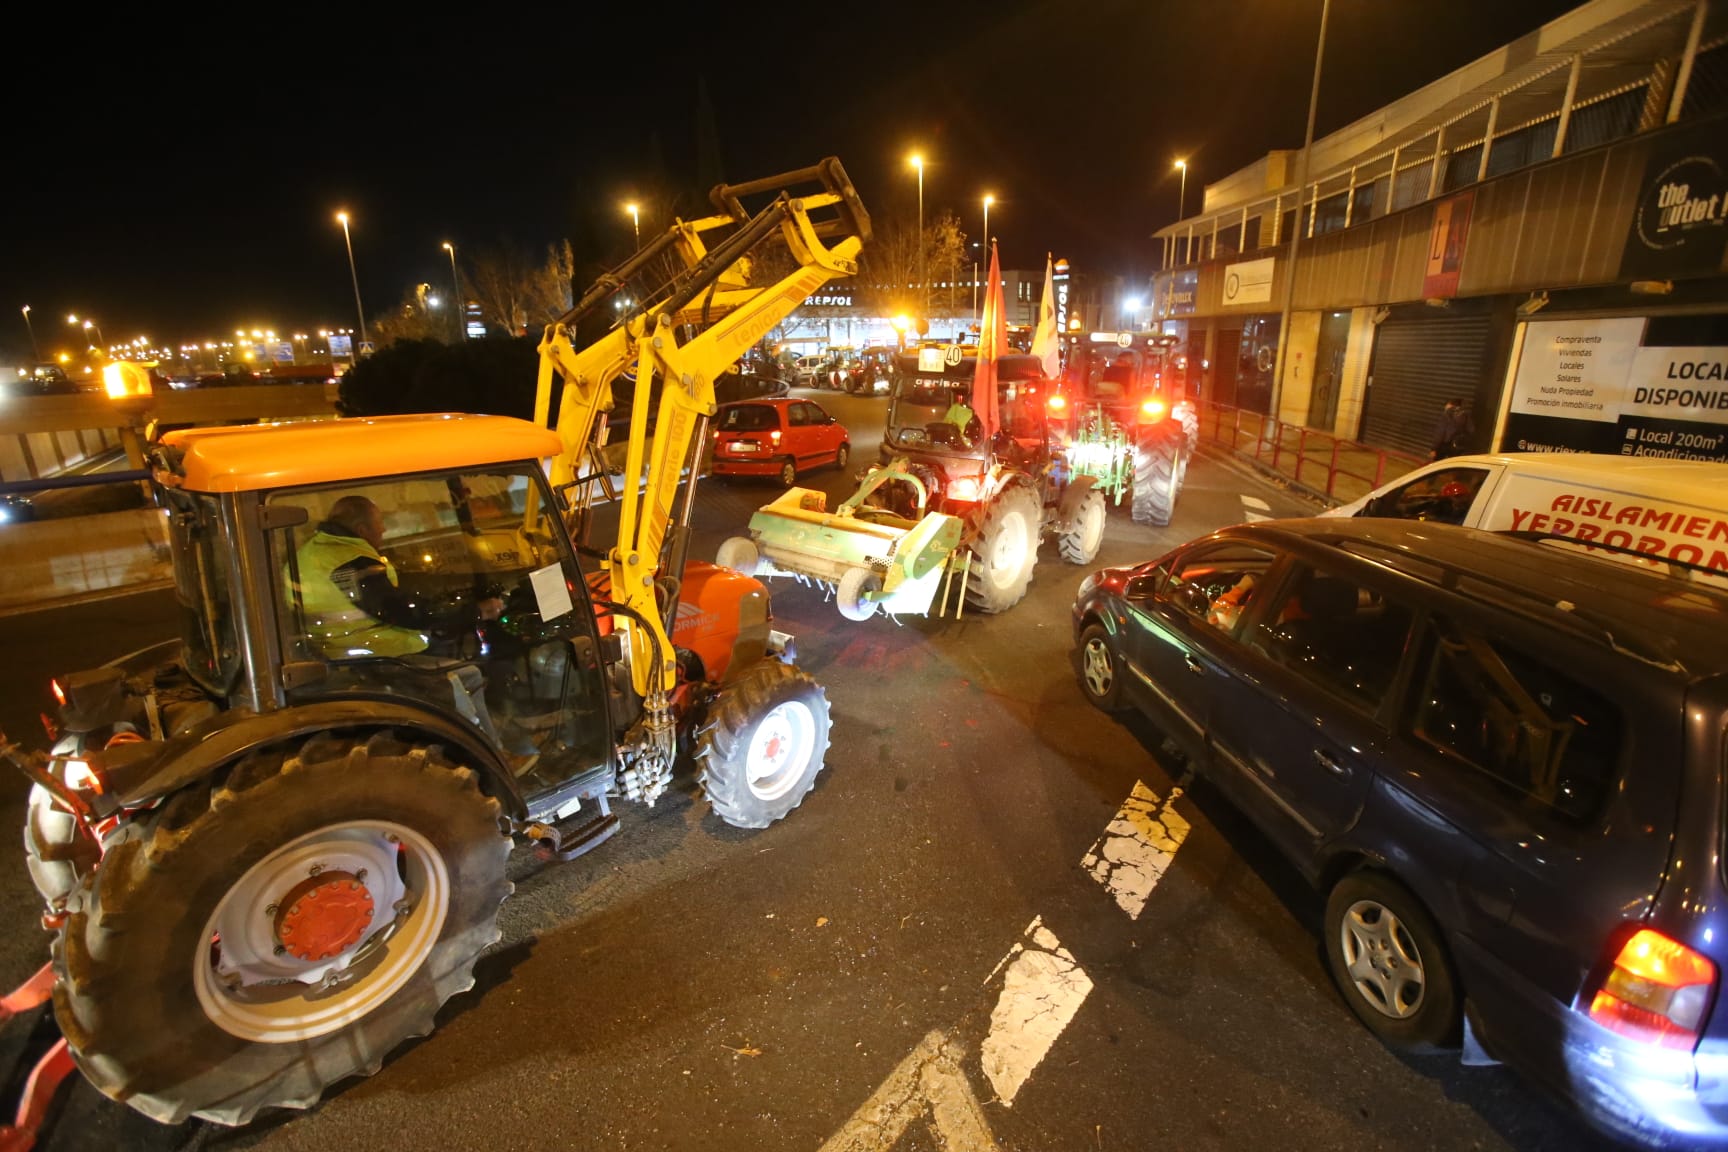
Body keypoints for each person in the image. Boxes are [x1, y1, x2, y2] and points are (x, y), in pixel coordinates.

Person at [294, 495, 430, 659]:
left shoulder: (307, 555)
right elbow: (393, 609)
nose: (383, 529)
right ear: (362, 530)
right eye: (379, 523)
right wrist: (442, 614)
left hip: (335, 651)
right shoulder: (351, 559)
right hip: (379, 653)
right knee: (467, 675)